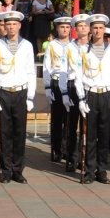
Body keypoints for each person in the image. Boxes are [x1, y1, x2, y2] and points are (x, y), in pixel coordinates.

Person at [0, 10, 36, 183]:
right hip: (3, 91)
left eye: (14, 24)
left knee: (19, 132)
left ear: (20, 25)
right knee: (5, 132)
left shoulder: (27, 46)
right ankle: (6, 169)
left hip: (21, 92)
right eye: (8, 24)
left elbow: (31, 71)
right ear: (4, 26)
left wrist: (30, 97)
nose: (11, 27)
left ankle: (17, 169)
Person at [73, 14, 110, 184]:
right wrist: (81, 98)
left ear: (104, 30)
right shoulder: (83, 50)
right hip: (90, 94)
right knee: (89, 135)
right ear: (90, 30)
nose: (98, 30)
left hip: (107, 94)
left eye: (101, 28)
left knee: (104, 134)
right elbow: (78, 76)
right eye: (95, 28)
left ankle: (102, 170)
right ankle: (89, 170)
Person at [43, 16, 72, 163]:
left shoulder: (74, 45)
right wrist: (47, 86)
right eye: (62, 27)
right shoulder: (52, 45)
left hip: (69, 84)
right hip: (55, 84)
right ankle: (56, 149)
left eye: (67, 27)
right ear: (57, 28)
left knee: (70, 120)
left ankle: (67, 149)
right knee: (57, 119)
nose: (65, 29)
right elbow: (47, 67)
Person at [63, 14, 90, 171]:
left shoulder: (93, 47)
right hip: (72, 87)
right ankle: (72, 158)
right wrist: (65, 92)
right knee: (71, 125)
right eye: (80, 26)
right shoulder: (68, 48)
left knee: (87, 127)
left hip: (88, 88)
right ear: (75, 29)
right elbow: (63, 71)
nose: (83, 28)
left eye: (85, 26)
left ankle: (84, 158)